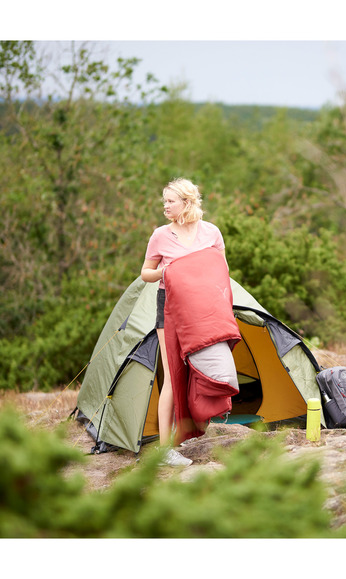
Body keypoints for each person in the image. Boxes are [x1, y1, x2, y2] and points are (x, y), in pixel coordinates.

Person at [140, 178, 227, 466]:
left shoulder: (211, 232)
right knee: (172, 376)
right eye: (164, 201)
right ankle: (164, 449)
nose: (164, 206)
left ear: (186, 203)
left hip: (204, 309)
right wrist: (166, 271)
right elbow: (145, 273)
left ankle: (192, 432)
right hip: (170, 307)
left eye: (170, 201)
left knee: (201, 370)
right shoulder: (160, 236)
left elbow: (221, 270)